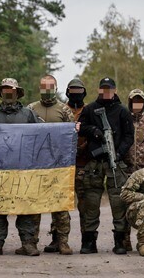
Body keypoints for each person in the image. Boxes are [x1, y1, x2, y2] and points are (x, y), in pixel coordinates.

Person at [0, 78, 41, 256]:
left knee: (25, 207)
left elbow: (42, 134)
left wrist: (70, 129)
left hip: (23, 169)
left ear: (17, 93)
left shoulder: (28, 114)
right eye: (5, 90)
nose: (8, 93)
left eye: (11, 90)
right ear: (1, 93)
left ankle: (28, 243)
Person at [77, 77, 134, 254]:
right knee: (91, 202)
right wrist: (93, 131)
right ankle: (88, 241)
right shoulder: (90, 109)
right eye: (103, 89)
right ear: (99, 90)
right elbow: (80, 126)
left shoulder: (122, 111)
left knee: (118, 202)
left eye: (109, 89)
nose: (106, 92)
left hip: (115, 163)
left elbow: (128, 136)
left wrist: (118, 153)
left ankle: (120, 241)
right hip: (94, 163)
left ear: (115, 90)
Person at [27, 75, 75, 255]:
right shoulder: (30, 109)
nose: (47, 90)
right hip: (36, 165)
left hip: (59, 166)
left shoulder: (64, 110)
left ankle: (62, 241)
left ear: (56, 87)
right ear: (39, 87)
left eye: (50, 86)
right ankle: (31, 242)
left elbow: (72, 138)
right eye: (44, 86)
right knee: (34, 205)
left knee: (60, 204)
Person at [121, 88, 144, 251]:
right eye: (134, 101)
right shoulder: (123, 120)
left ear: (143, 104)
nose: (137, 104)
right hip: (125, 170)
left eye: (140, 101)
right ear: (130, 103)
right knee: (124, 205)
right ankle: (124, 239)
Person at [65, 79, 90, 246]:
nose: (75, 94)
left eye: (78, 91)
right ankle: (58, 239)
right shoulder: (62, 110)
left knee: (85, 205)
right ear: (67, 92)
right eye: (72, 91)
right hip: (63, 166)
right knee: (61, 205)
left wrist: (82, 148)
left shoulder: (90, 110)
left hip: (83, 164)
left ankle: (86, 240)